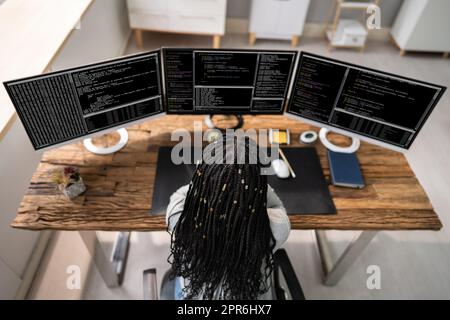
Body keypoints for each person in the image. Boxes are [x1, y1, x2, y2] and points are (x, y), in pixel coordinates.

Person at [166, 135, 290, 300]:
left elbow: (180, 194)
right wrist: (254, 187)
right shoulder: (276, 228)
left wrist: (205, 181)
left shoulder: (179, 218)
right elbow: (278, 206)